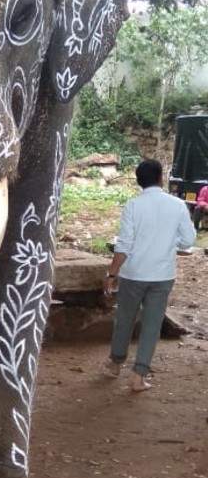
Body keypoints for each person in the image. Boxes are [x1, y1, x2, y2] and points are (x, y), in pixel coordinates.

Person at [102, 159, 196, 393]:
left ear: (138, 181)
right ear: (160, 178)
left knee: (124, 319)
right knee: (152, 325)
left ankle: (115, 363)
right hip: (162, 275)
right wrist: (170, 242)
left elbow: (123, 245)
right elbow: (189, 241)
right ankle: (138, 375)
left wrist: (112, 273)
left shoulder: (133, 206)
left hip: (133, 274)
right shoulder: (177, 205)